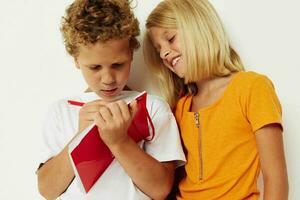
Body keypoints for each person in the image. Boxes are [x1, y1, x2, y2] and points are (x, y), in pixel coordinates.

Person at [36, 0, 185, 199]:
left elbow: (161, 190)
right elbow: (47, 190)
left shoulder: (153, 107)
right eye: (95, 67)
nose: (108, 79)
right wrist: (79, 138)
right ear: (76, 61)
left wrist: (119, 141)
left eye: (117, 65)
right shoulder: (61, 111)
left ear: (131, 55)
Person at [143, 0, 289, 199]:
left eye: (171, 38)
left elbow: (276, 179)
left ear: (198, 28)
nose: (164, 53)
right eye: (158, 48)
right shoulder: (180, 106)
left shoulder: (252, 88)